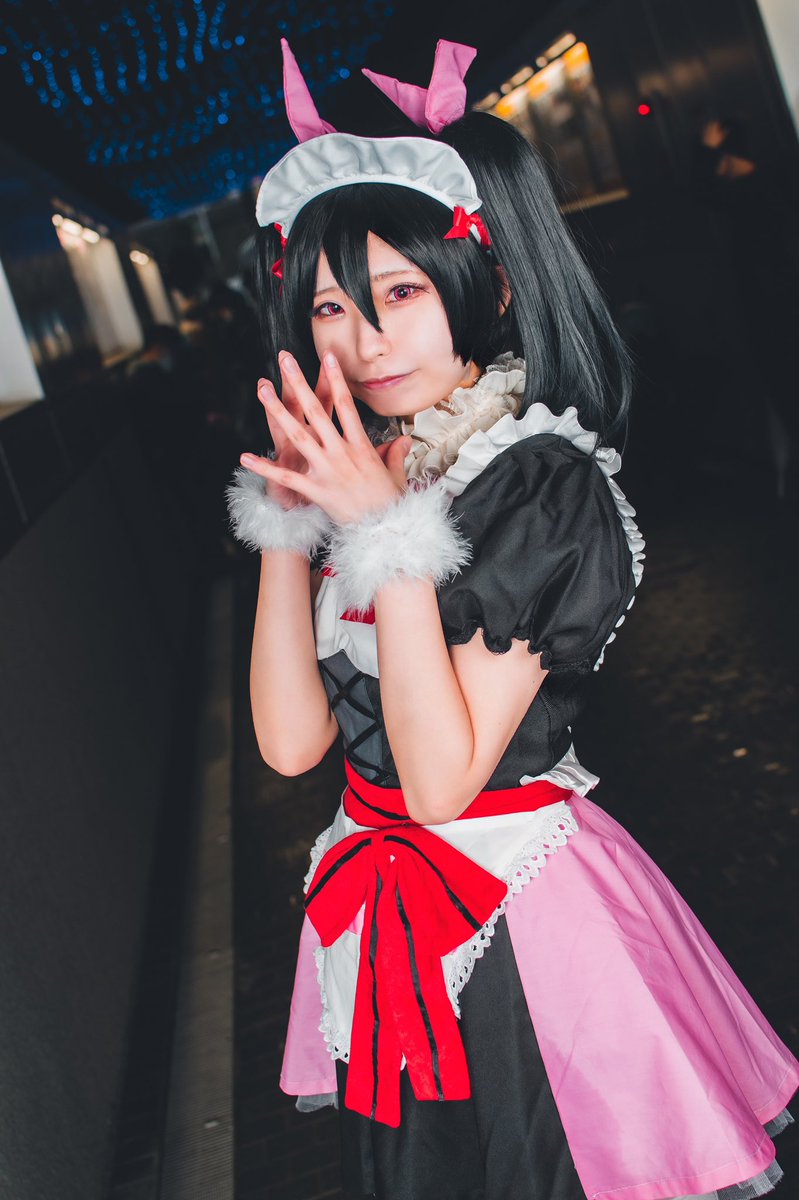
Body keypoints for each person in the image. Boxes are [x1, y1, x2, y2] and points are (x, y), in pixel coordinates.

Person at [226, 39, 798, 1200]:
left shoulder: (541, 483)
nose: (363, 339)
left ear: (481, 284)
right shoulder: (376, 467)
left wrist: (384, 534)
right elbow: (291, 745)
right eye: (329, 306)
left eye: (400, 293)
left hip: (522, 924)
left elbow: (442, 784)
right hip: (375, 918)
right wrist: (288, 522)